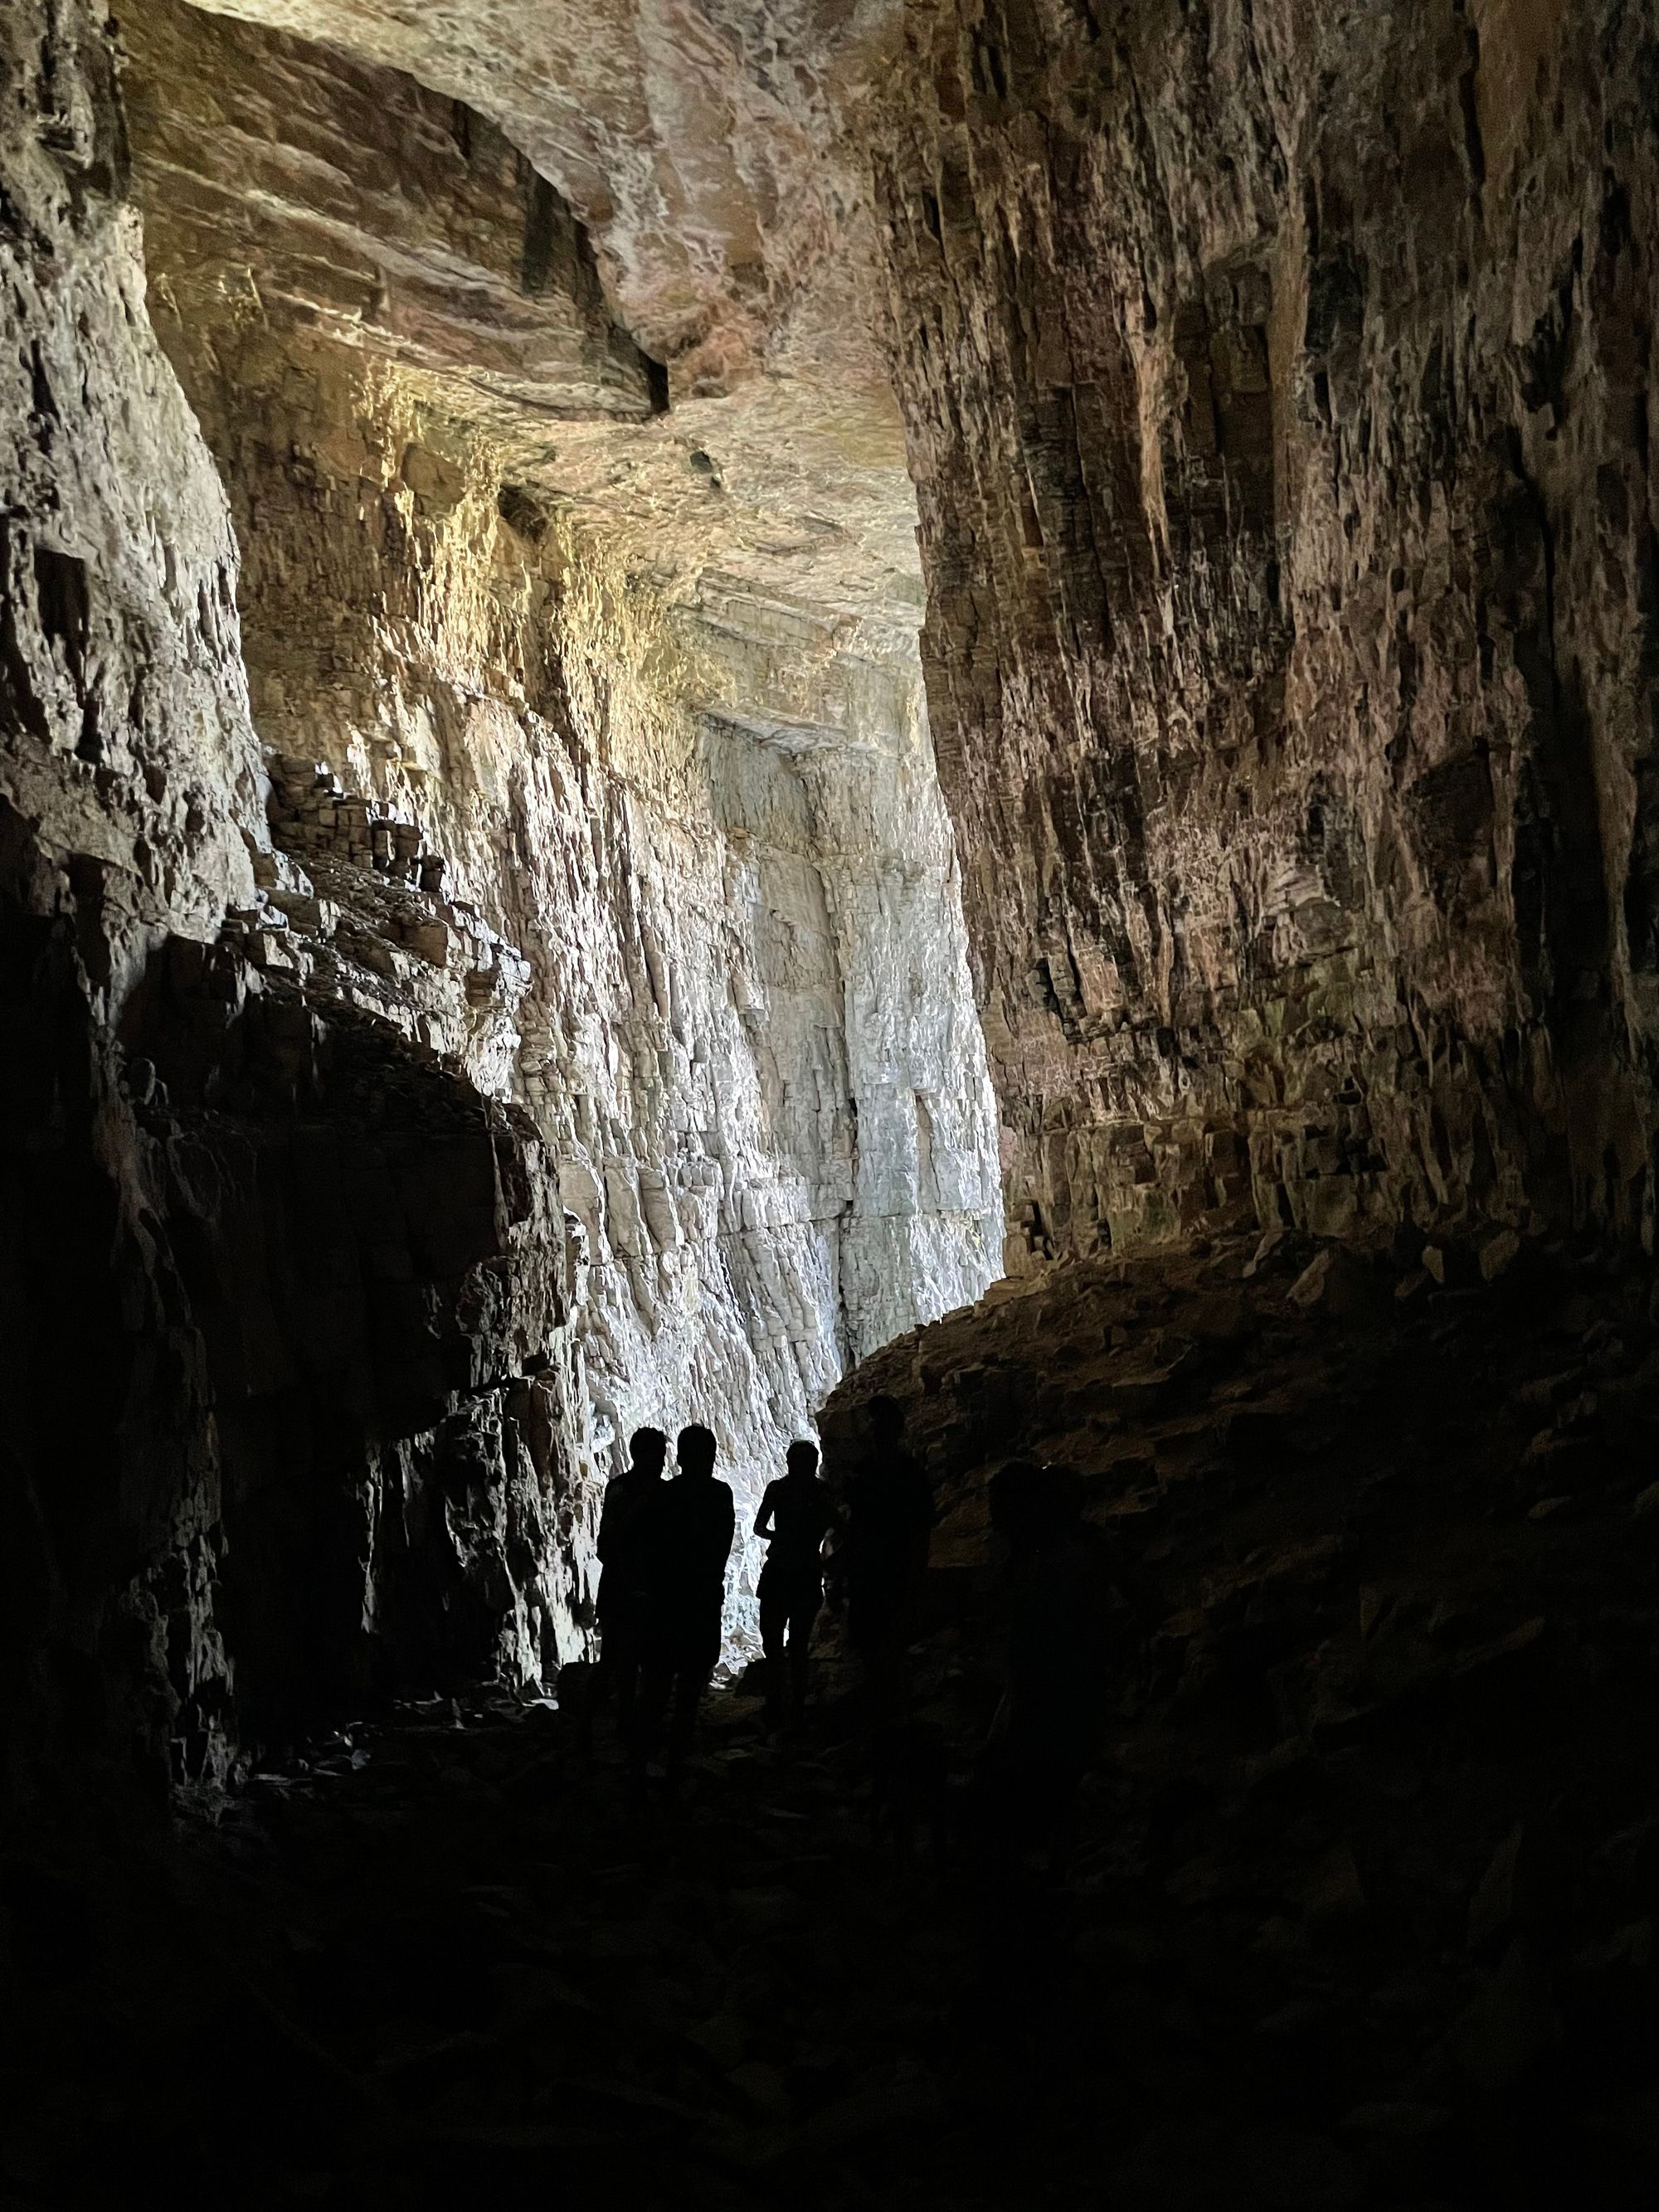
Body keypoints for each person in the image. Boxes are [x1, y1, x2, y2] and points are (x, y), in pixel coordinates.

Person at [632, 1424, 734, 1785]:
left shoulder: (663, 1496)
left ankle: (640, 1770)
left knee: (656, 1691)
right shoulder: (720, 1495)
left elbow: (644, 1546)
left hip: (666, 1605)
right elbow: (721, 1547)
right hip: (699, 1604)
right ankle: (675, 1769)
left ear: (678, 1457)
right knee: (689, 1692)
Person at [840, 1394, 935, 1714]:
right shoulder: (875, 1471)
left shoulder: (901, 1473)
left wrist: (914, 1587)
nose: (874, 1429)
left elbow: (919, 1532)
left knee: (886, 1652)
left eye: (878, 1423)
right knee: (874, 1650)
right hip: (874, 1574)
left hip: (888, 1574)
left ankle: (889, 1726)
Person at [755, 1440, 838, 1723]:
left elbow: (759, 1527)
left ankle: (776, 1701)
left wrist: (778, 1538)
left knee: (773, 1641)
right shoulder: (822, 1492)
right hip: (806, 1573)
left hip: (780, 1571)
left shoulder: (778, 1489)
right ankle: (796, 1706)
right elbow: (841, 1527)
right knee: (799, 1644)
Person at [595, 1426, 668, 1734]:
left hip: (630, 1588)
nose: (663, 1462)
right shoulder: (634, 1493)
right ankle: (630, 1723)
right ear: (642, 1455)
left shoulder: (626, 1490)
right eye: (658, 1455)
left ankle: (629, 1724)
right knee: (622, 1658)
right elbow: (609, 1545)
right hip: (632, 1588)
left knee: (626, 1658)